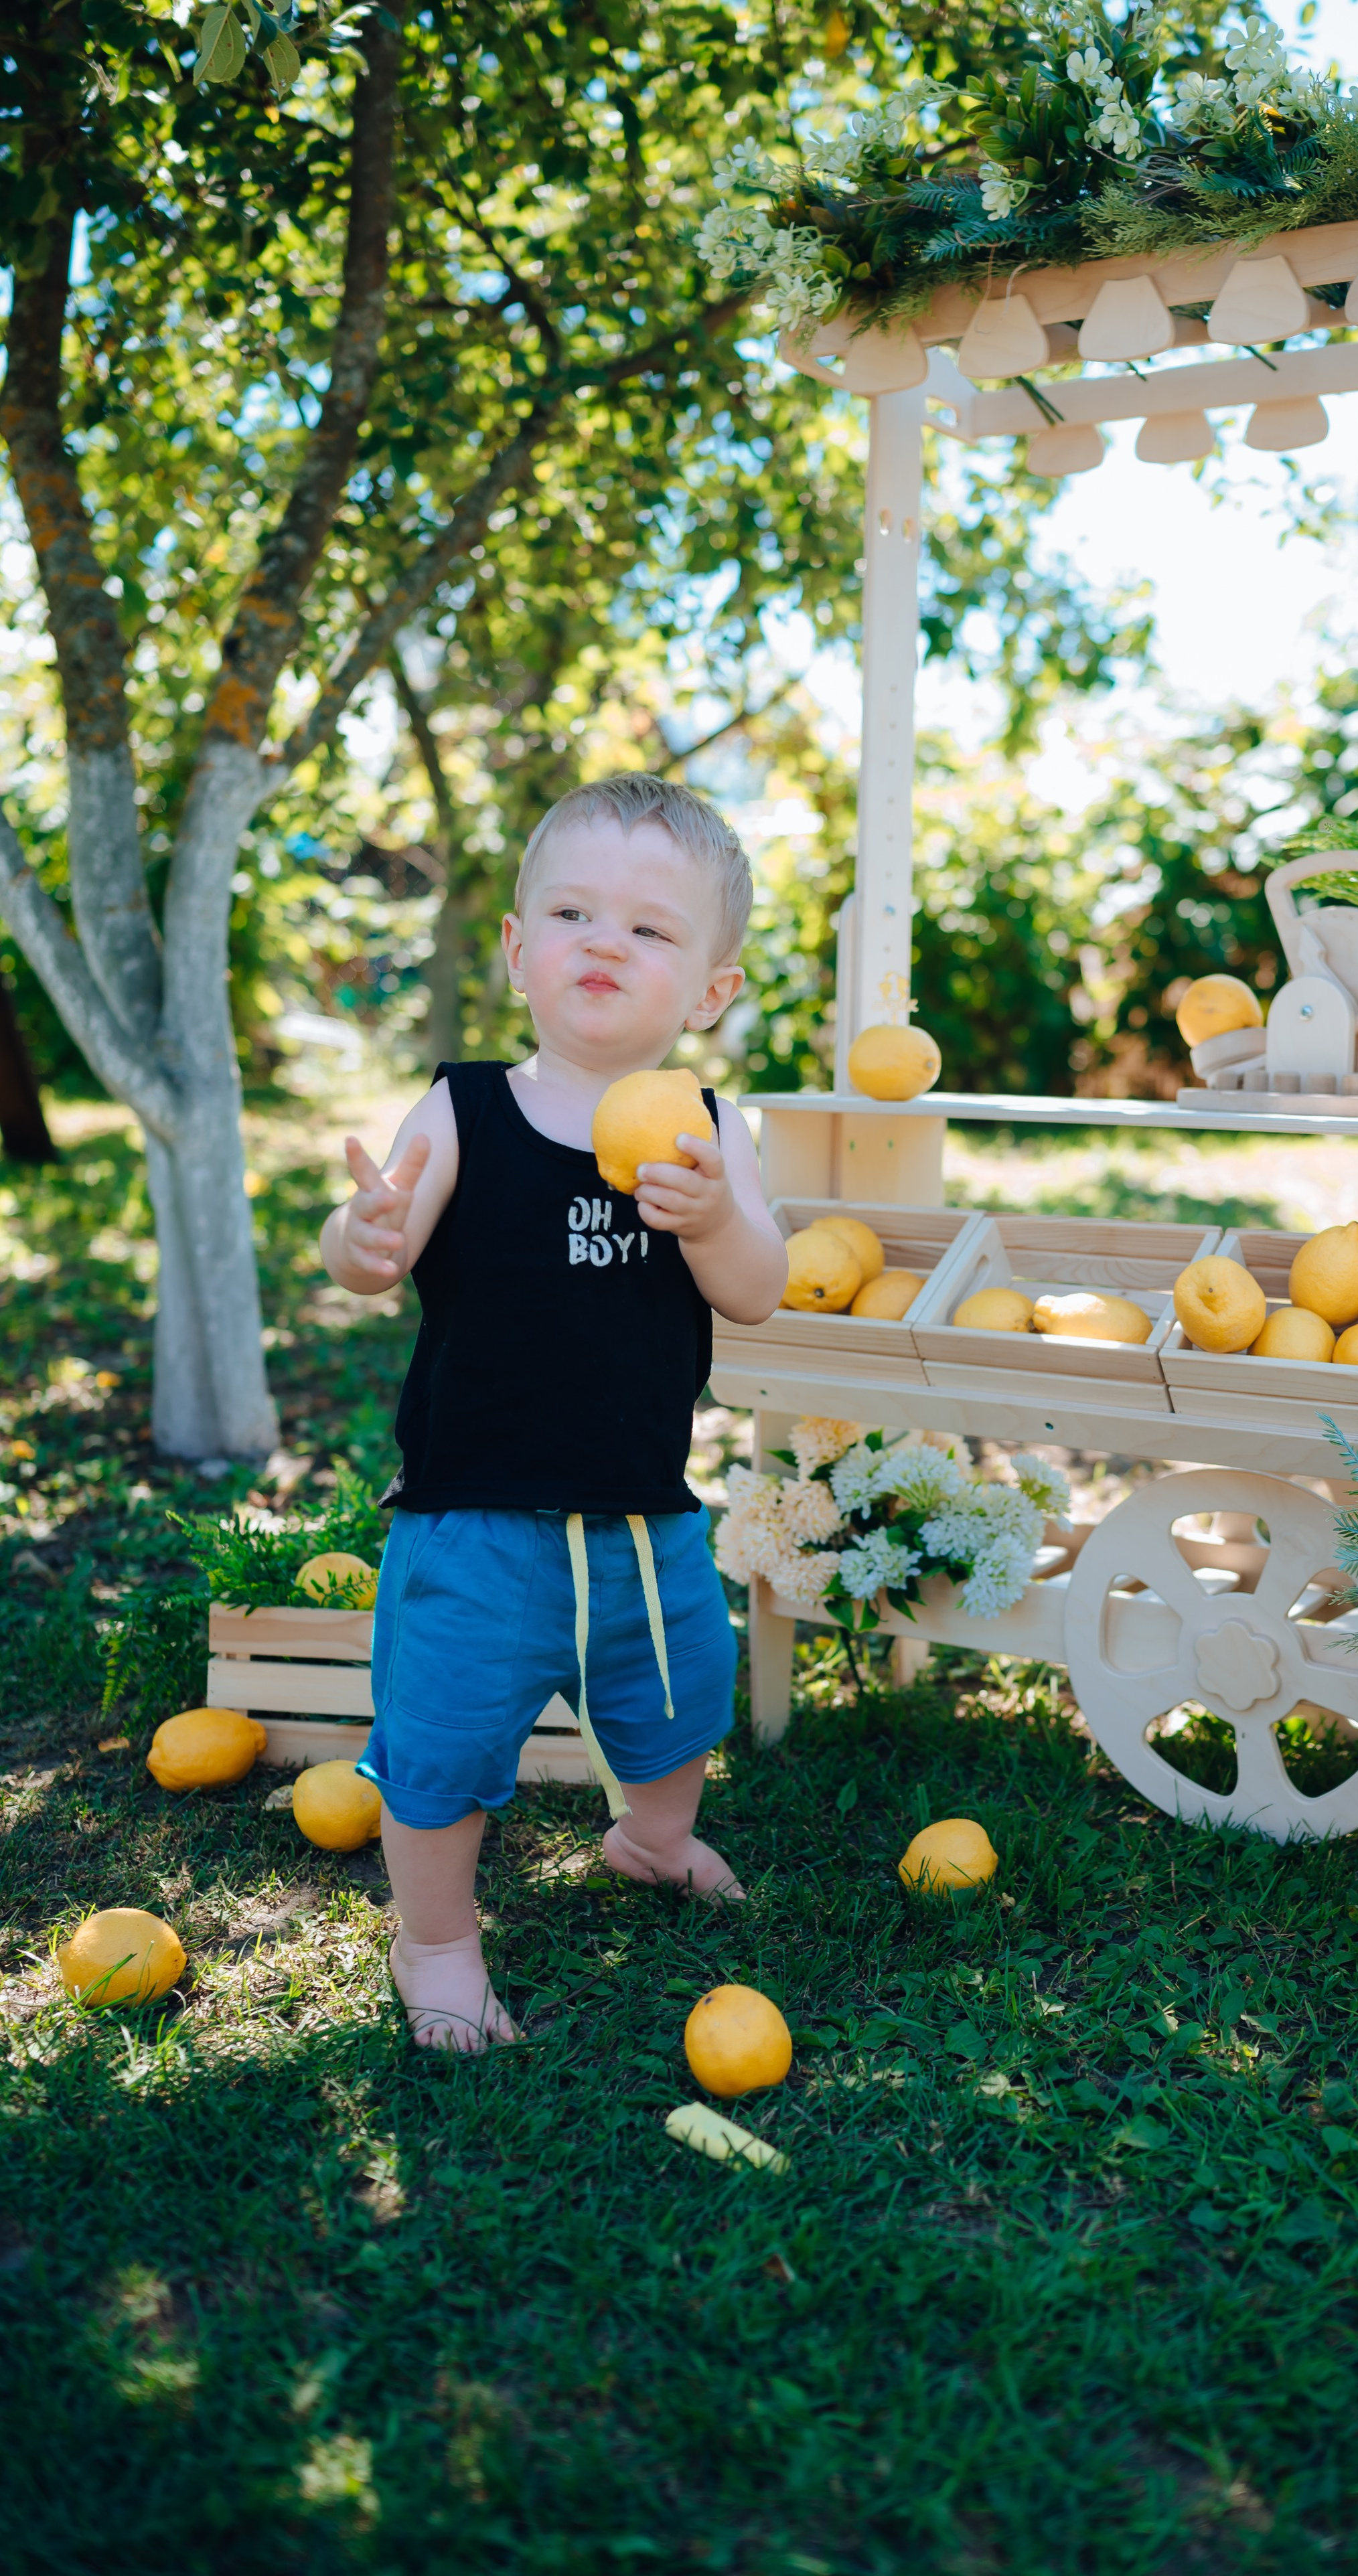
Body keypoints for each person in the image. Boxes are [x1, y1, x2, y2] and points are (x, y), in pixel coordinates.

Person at [319, 775, 788, 2053]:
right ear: (519, 949)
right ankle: (436, 1943)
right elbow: (370, 1249)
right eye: (575, 914)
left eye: (650, 928)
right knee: (441, 1745)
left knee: (679, 1704)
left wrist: (715, 1219)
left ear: (710, 993)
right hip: (473, 1520)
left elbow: (756, 1291)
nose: (605, 943)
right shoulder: (465, 1108)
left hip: (643, 1515)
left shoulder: (711, 1134)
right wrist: (362, 1236)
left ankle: (653, 1838)